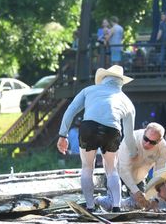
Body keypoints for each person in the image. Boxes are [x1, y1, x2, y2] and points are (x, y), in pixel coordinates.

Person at [57, 65, 137, 212]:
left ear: (104, 79)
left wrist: (63, 135)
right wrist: (133, 153)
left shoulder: (88, 90)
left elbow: (71, 109)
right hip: (112, 130)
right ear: (121, 82)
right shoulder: (127, 102)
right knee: (112, 169)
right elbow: (129, 135)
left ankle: (90, 206)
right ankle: (116, 206)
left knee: (87, 168)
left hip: (89, 127)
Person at [96, 122, 166, 211]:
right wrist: (136, 192)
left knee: (142, 205)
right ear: (144, 132)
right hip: (117, 172)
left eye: (152, 142)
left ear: (159, 141)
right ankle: (98, 200)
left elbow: (158, 176)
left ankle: (123, 202)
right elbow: (123, 170)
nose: (147, 144)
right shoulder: (130, 139)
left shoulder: (164, 149)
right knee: (112, 205)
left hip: (138, 178)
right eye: (146, 139)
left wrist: (155, 199)